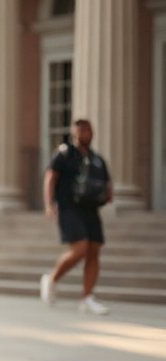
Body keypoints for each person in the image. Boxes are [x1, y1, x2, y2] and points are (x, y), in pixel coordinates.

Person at [40, 119, 113, 315]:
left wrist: (107, 194)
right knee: (80, 247)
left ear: (92, 133)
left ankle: (87, 297)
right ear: (74, 133)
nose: (84, 134)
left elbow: (107, 182)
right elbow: (50, 177)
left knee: (94, 249)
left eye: (87, 130)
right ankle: (52, 278)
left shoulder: (97, 159)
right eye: (80, 130)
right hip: (68, 207)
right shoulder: (64, 154)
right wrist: (49, 204)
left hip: (91, 209)